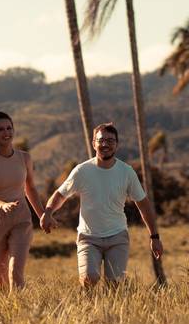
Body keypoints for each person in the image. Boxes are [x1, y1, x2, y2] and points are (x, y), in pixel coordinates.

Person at [41, 122, 163, 286]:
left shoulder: (126, 172)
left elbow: (144, 205)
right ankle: (89, 310)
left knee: (115, 284)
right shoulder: (82, 171)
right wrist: (48, 212)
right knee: (89, 278)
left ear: (117, 145)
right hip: (88, 238)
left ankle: (112, 312)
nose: (105, 144)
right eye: (101, 140)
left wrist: (154, 236)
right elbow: (60, 195)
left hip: (118, 237)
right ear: (94, 144)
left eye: (110, 141)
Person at [0, 111, 47, 292]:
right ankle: (9, 317)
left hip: (21, 219)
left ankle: (25, 315)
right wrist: (2, 204)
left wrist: (43, 216)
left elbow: (30, 188)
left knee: (15, 273)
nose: (6, 132)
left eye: (9, 128)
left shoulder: (24, 158)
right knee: (1, 283)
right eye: (1, 129)